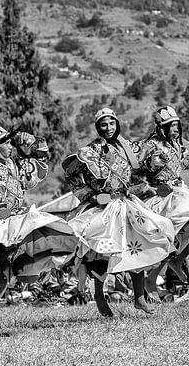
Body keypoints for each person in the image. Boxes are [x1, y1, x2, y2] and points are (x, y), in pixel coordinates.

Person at [0, 126, 80, 336]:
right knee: (1, 280)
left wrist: (33, 142)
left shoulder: (15, 164)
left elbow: (39, 163)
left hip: (18, 225)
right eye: (5, 143)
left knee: (26, 271)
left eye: (11, 142)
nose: (10, 146)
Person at [63, 107, 176, 317]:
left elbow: (137, 178)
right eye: (104, 124)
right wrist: (93, 196)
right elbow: (73, 177)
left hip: (127, 203)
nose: (108, 128)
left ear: (117, 124)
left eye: (112, 123)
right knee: (103, 252)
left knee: (139, 246)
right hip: (105, 207)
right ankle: (98, 295)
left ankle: (139, 298)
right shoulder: (91, 151)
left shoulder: (128, 148)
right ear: (98, 127)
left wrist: (148, 188)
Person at [137, 106, 189, 297]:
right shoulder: (150, 144)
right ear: (161, 127)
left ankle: (177, 261)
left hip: (181, 192)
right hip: (162, 196)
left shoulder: (178, 143)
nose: (175, 129)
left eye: (176, 125)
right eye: (170, 126)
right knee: (169, 237)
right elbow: (137, 164)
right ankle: (151, 279)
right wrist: (151, 164)